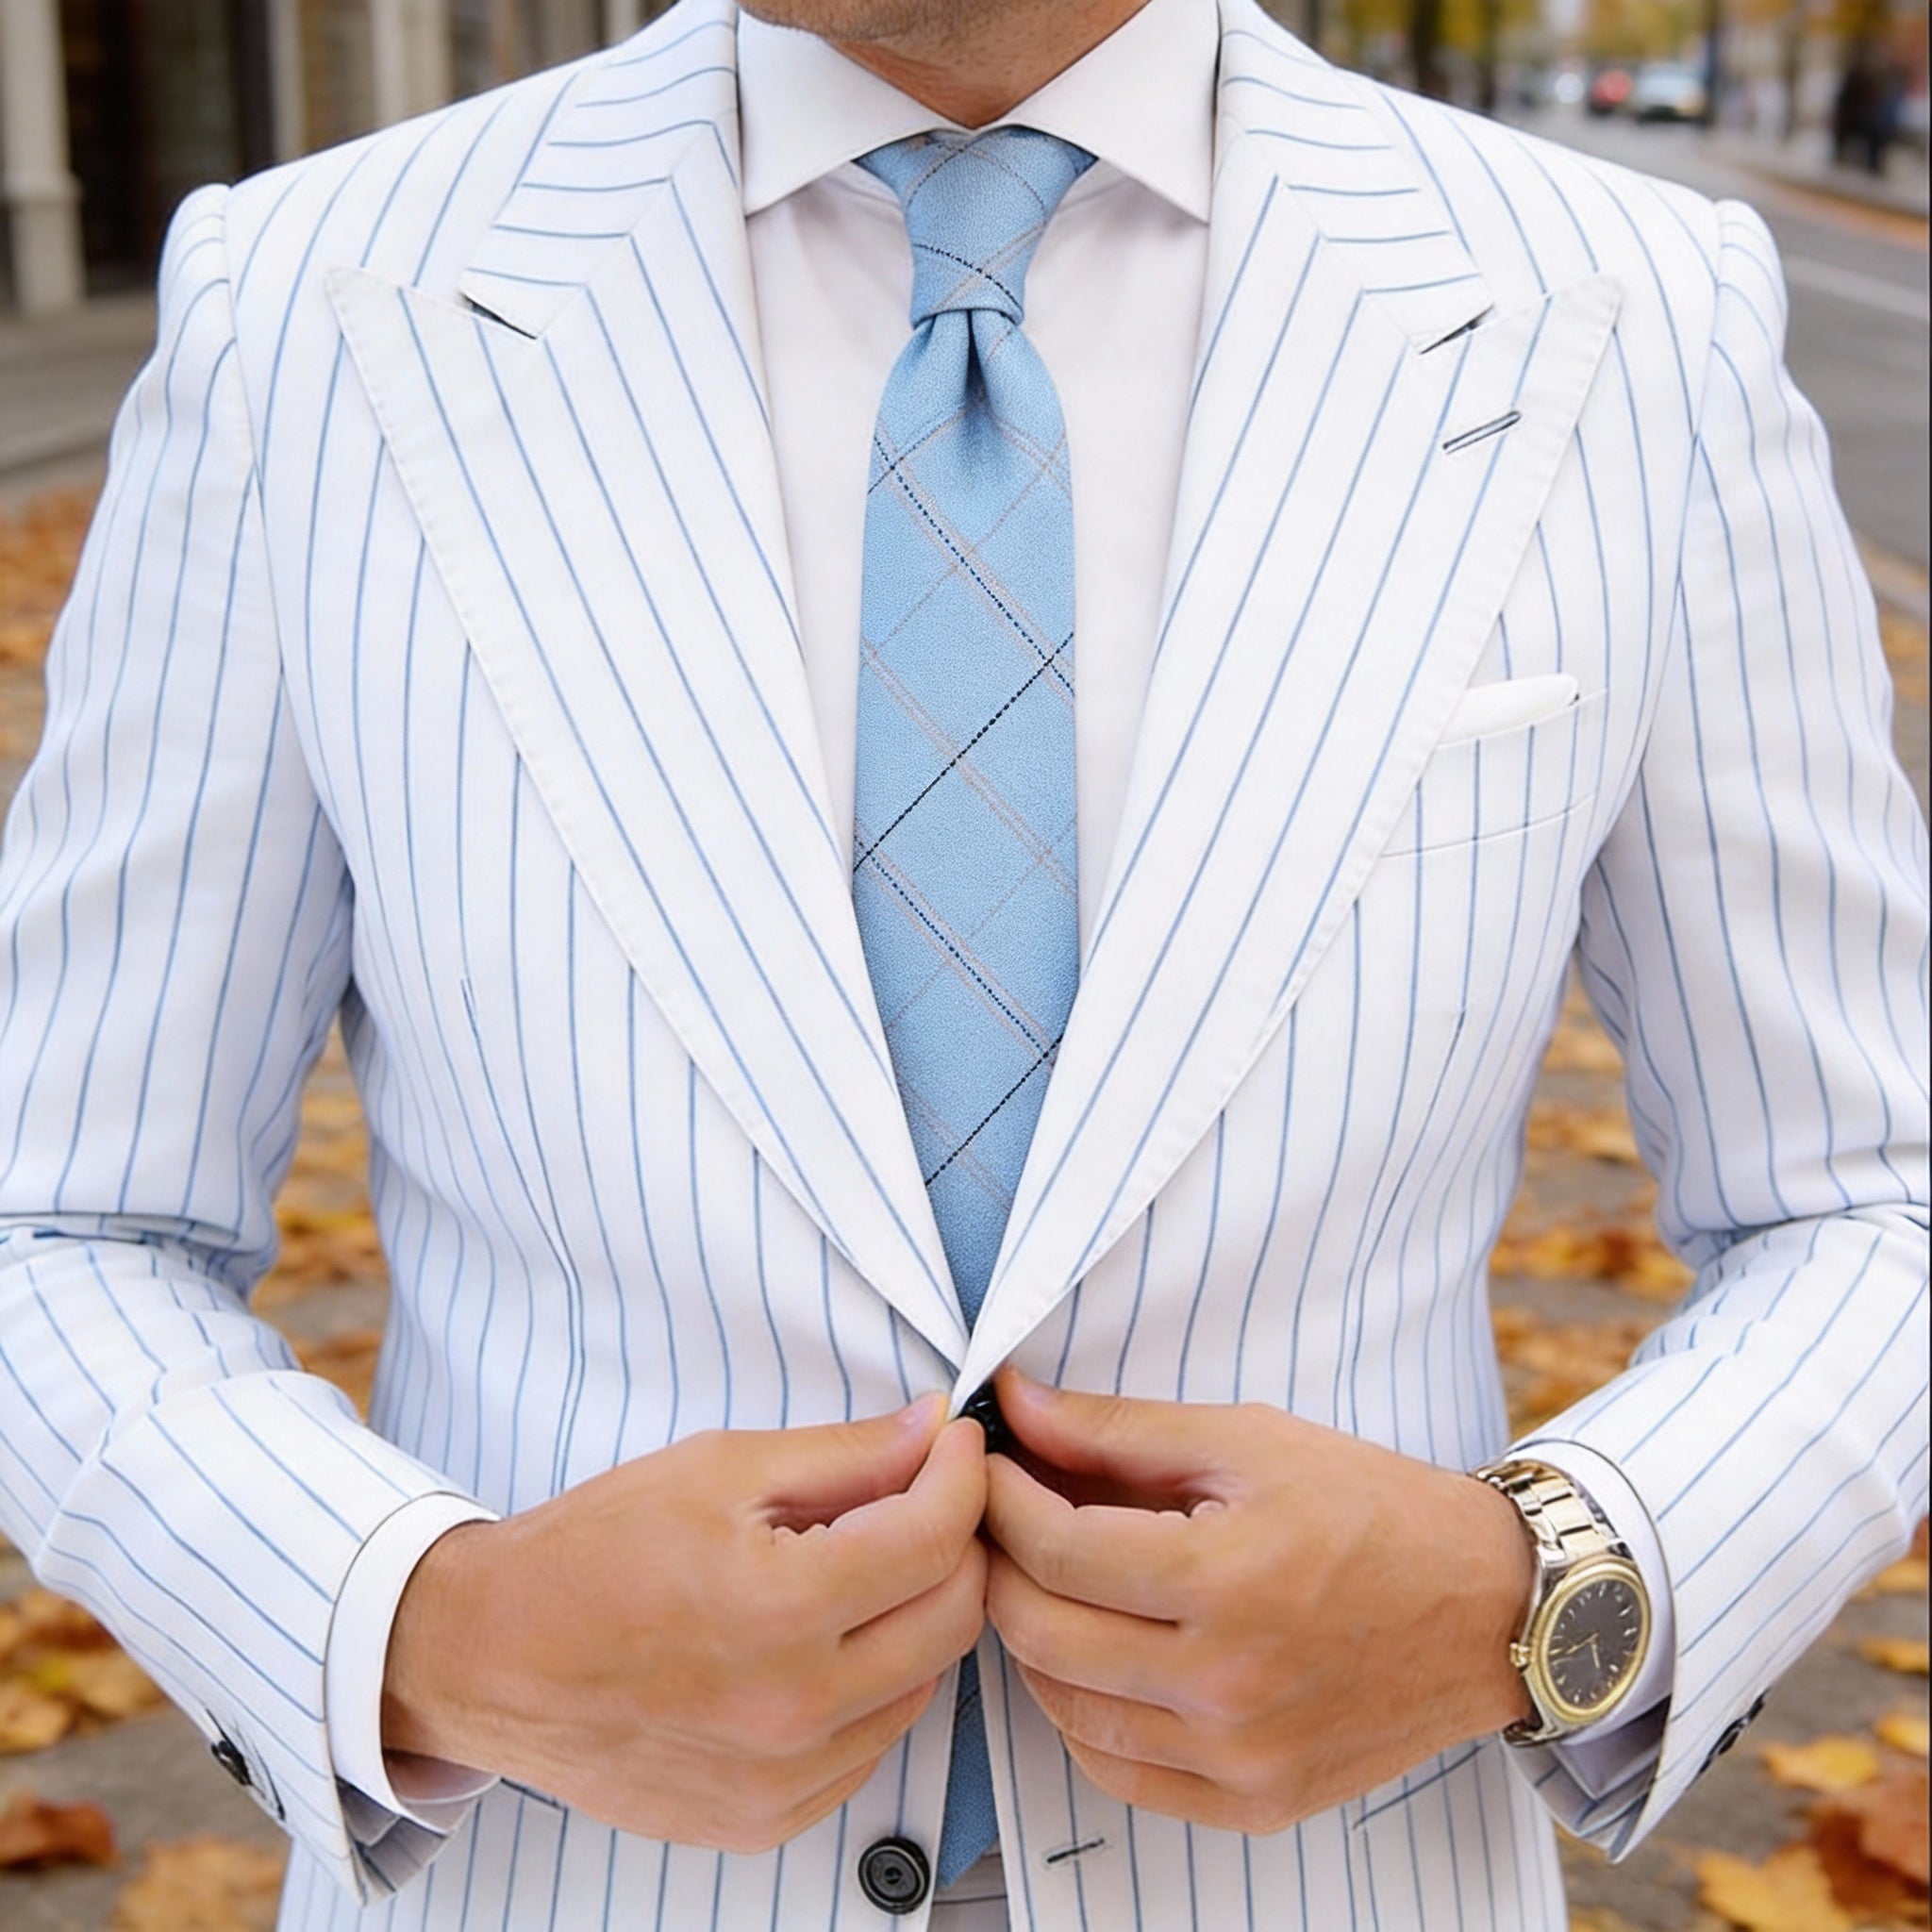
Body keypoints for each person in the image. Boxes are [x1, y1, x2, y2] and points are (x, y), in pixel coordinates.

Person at [0, 0, 1924, 1925]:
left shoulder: (1631, 316)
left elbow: (1870, 1195)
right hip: (559, 1874)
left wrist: (1545, 1594)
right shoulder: (312, 307)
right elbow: (58, 1217)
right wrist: (420, 1629)